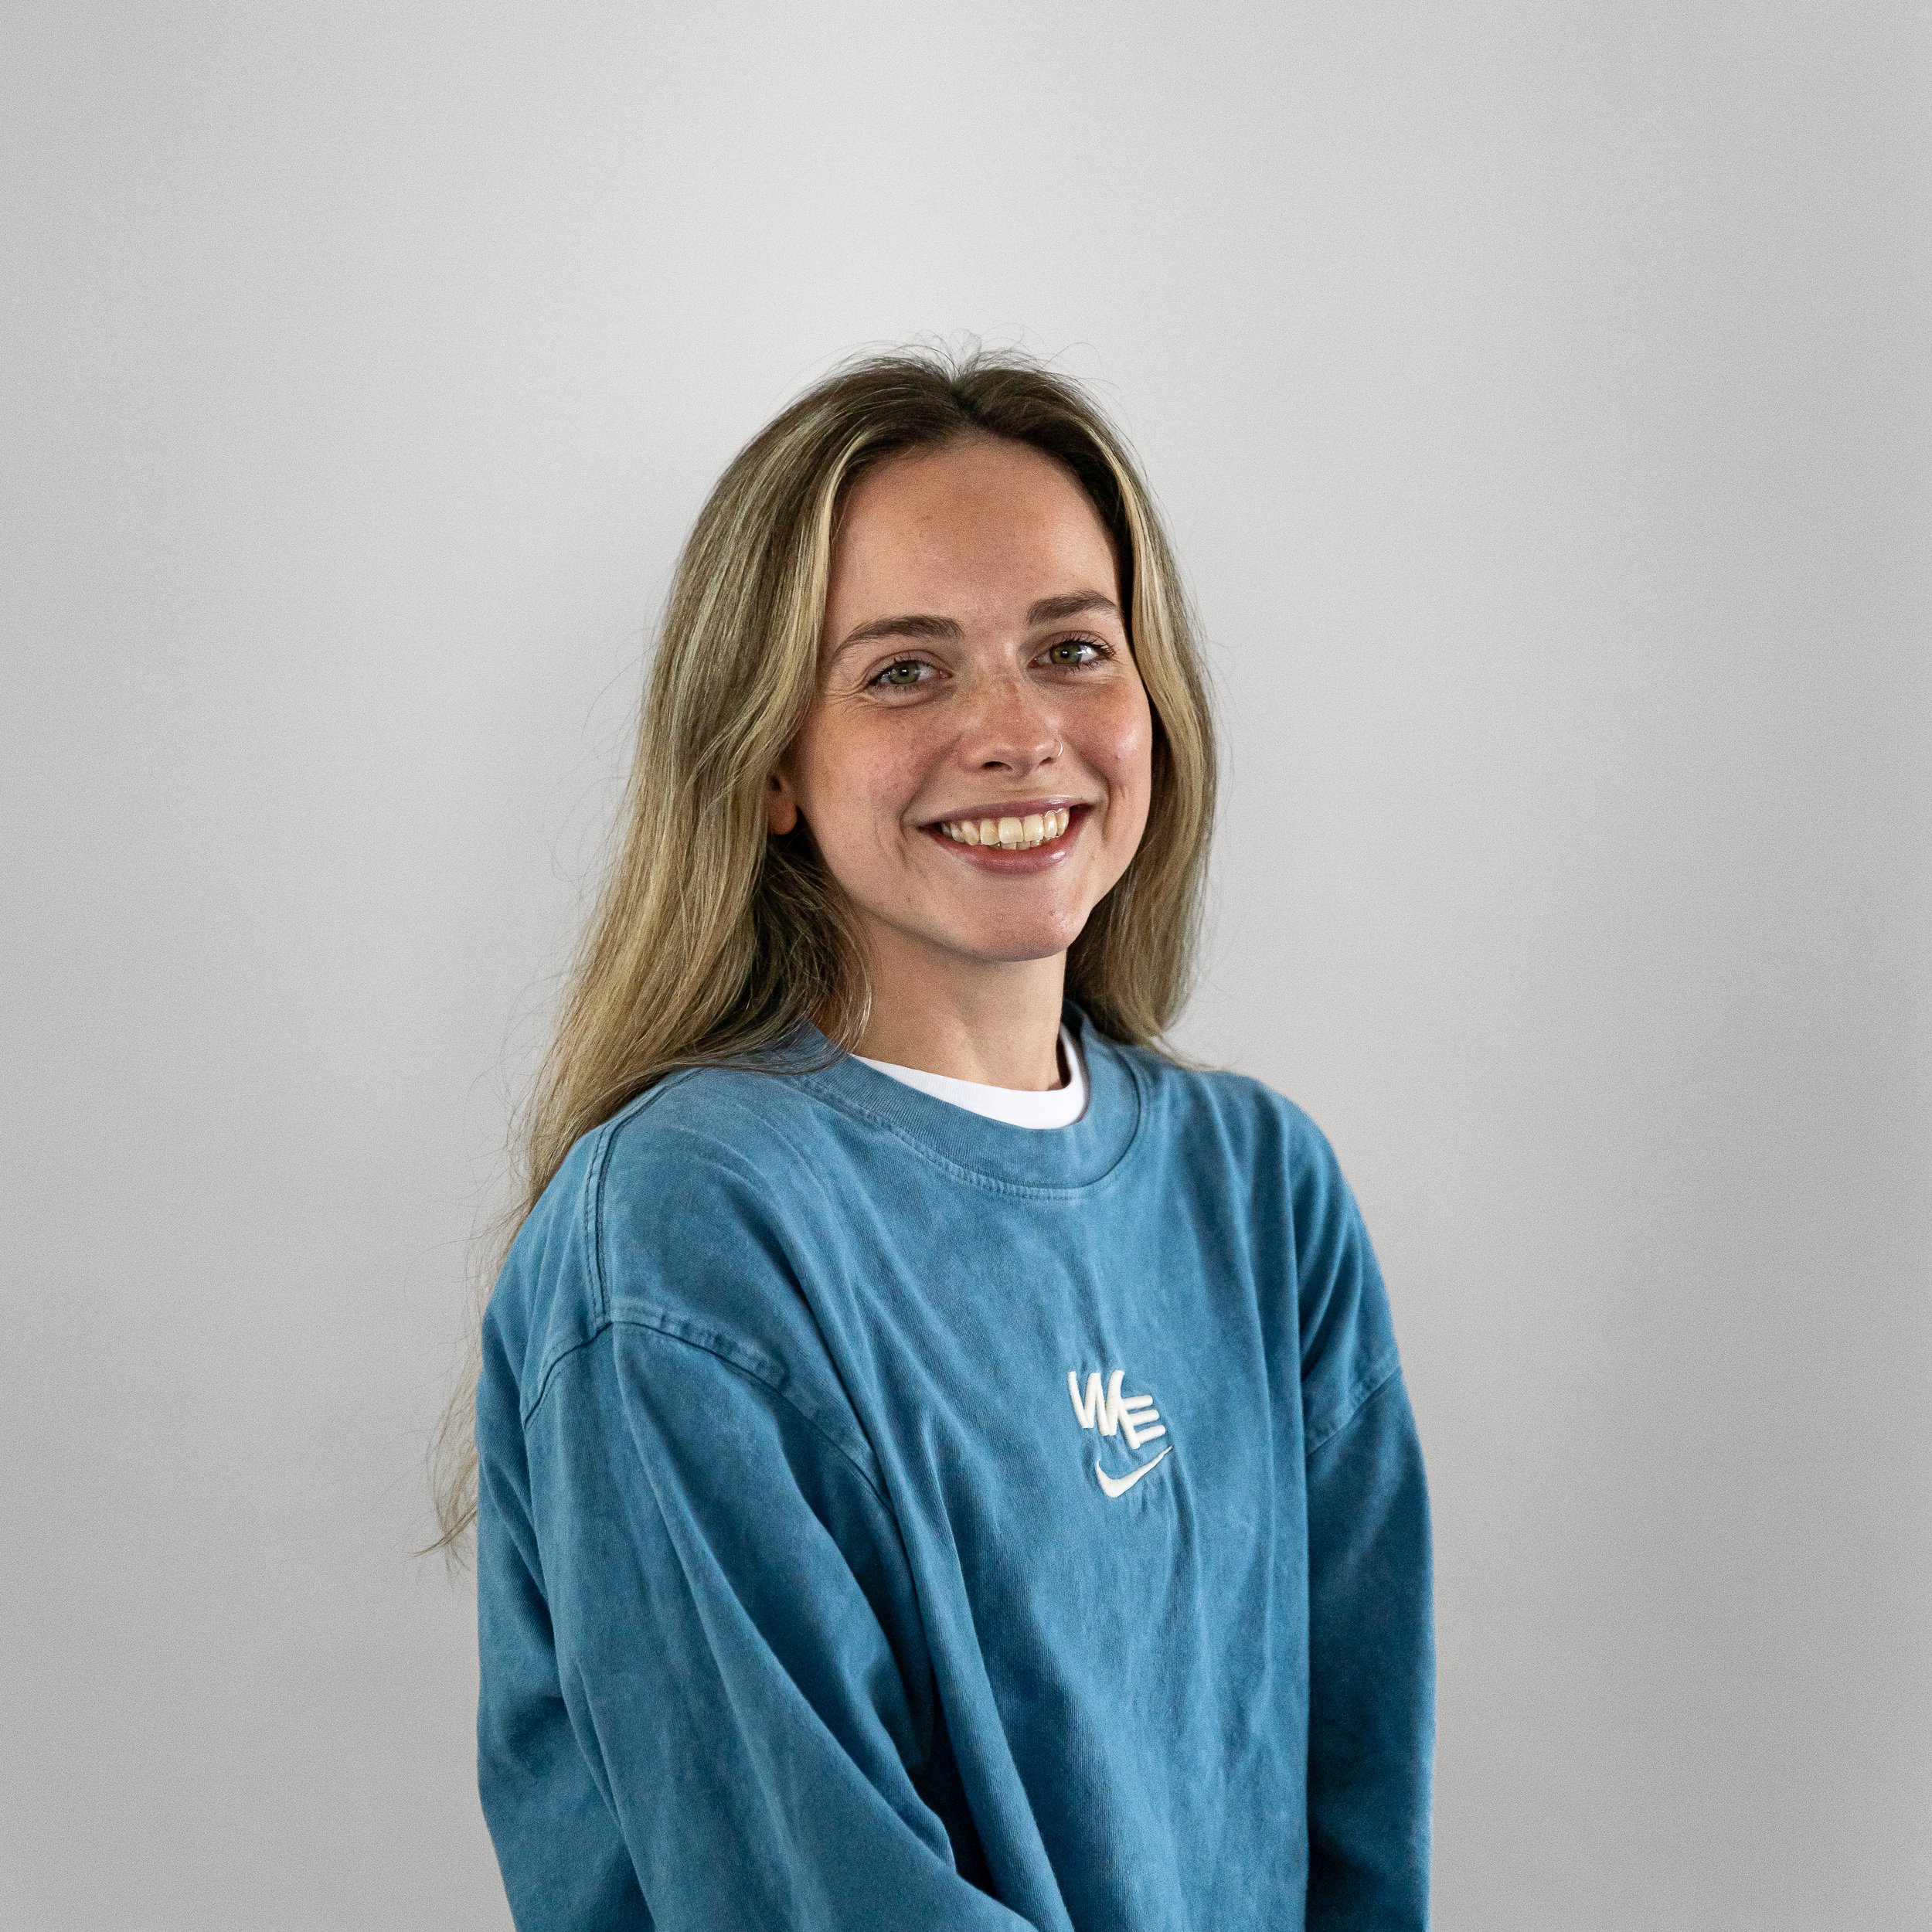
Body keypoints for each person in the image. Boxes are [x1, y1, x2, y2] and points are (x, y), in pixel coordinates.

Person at [434, 347, 1434, 1930]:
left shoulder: (1259, 1195)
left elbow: (1353, 1836)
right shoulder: (688, 1225)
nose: (1015, 730)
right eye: (905, 669)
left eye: (1072, 648)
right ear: (766, 760)